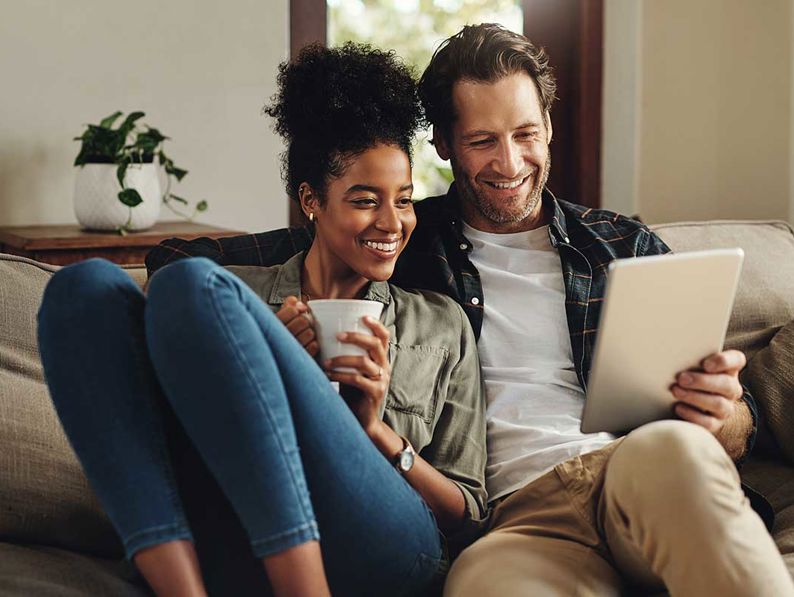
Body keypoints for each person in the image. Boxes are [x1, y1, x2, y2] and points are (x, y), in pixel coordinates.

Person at [146, 25, 794, 596]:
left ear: (548, 126)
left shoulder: (623, 245)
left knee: (677, 454)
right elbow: (184, 264)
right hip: (512, 525)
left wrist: (727, 413)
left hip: (639, 473)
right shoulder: (400, 235)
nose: (510, 163)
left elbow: (737, 427)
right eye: (483, 140)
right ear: (444, 146)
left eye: (525, 134)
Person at [37, 42, 487, 597]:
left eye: (405, 200)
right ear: (310, 200)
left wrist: (374, 431)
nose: (392, 222)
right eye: (366, 200)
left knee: (190, 281)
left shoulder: (441, 326)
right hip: (234, 532)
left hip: (385, 545)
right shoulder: (230, 304)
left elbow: (469, 515)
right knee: (82, 287)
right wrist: (270, 370)